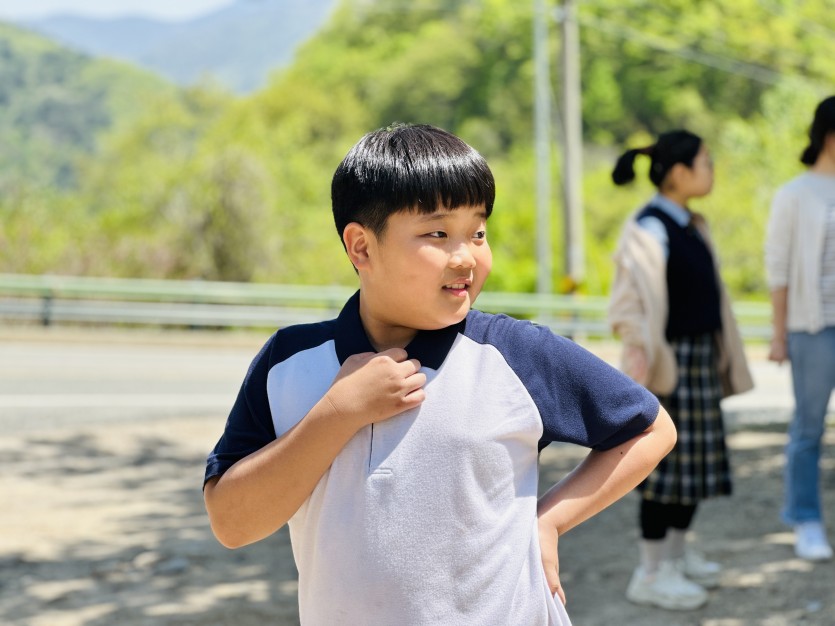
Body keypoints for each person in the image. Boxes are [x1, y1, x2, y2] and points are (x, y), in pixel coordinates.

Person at [203, 123, 676, 625]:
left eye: (478, 232)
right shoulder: (290, 362)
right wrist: (339, 411)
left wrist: (548, 523)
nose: (467, 257)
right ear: (361, 247)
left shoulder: (512, 353)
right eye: (438, 233)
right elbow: (232, 524)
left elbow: (651, 428)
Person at [608, 130, 753, 611]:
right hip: (668, 364)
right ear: (678, 173)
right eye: (705, 162)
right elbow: (628, 308)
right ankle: (650, 572)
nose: (711, 170)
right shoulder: (649, 228)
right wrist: (641, 359)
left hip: (698, 359)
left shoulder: (689, 222)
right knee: (663, 471)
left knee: (690, 471)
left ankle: (674, 558)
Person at [766, 95, 835, 562]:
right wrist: (778, 332)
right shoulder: (795, 193)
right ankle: (805, 519)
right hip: (814, 328)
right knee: (808, 429)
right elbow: (779, 268)